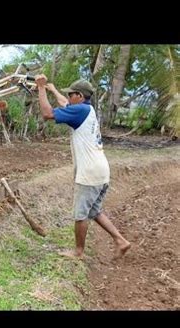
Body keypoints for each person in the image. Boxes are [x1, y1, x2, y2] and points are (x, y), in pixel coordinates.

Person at [34, 74, 131, 260]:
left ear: (79, 96)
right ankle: (121, 241)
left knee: (81, 215)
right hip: (101, 170)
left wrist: (40, 88)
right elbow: (64, 103)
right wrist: (52, 89)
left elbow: (47, 114)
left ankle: (78, 252)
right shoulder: (87, 109)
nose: (68, 98)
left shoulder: (79, 111)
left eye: (71, 94)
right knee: (94, 211)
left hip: (90, 173)